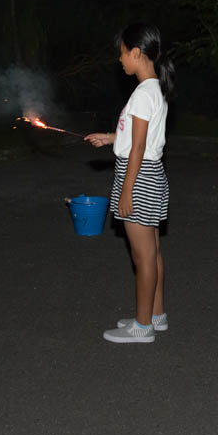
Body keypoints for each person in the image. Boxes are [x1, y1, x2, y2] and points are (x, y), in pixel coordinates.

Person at [85, 24, 174, 343]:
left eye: (122, 53)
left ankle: (142, 326)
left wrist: (126, 191)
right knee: (153, 252)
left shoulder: (141, 93)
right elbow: (140, 138)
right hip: (150, 174)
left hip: (138, 177)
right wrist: (110, 138)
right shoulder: (153, 89)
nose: (120, 60)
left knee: (143, 256)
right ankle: (156, 315)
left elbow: (137, 148)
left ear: (137, 53)